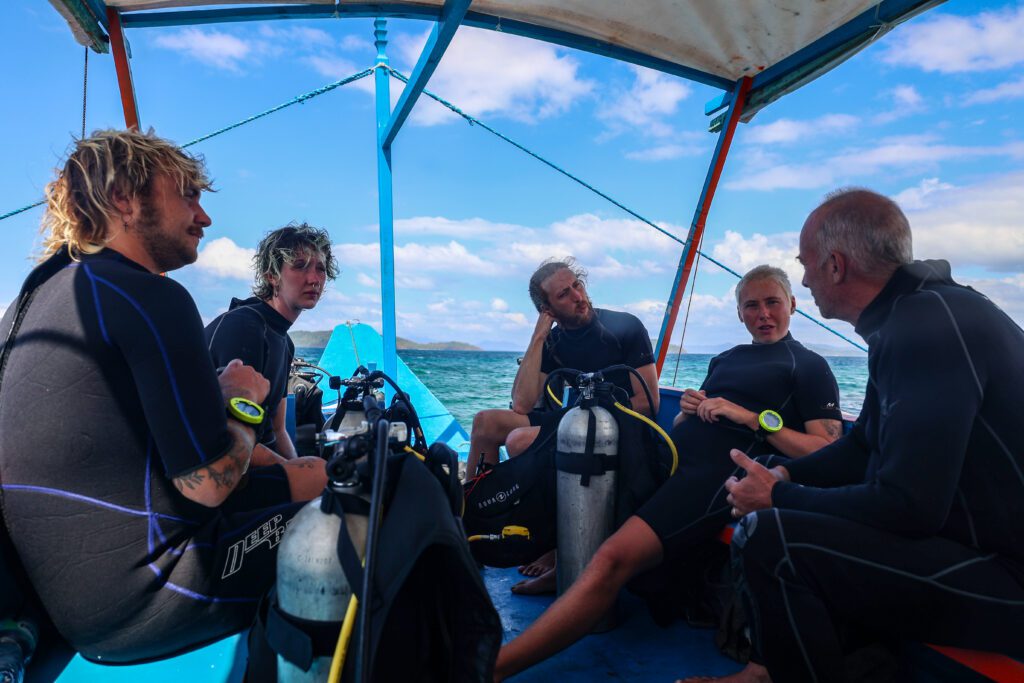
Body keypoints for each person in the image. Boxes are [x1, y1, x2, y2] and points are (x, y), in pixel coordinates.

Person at [0, 129, 327, 664]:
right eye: (188, 196)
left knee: (311, 478)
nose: (204, 217)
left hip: (57, 600)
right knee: (357, 510)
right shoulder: (152, 296)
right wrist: (243, 404)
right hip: (142, 604)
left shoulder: (27, 301)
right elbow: (208, 485)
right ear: (125, 199)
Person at [712, 188, 1024, 683]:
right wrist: (785, 472)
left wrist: (780, 497)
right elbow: (862, 446)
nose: (807, 279)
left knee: (769, 541)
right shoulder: (922, 312)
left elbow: (910, 505)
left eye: (807, 264)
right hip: (977, 547)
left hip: (1007, 578)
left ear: (836, 266)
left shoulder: (924, 328)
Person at [493, 264, 844, 680]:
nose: (762, 314)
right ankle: (557, 561)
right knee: (575, 467)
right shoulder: (726, 359)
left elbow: (824, 450)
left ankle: (497, 666)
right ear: (739, 313)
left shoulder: (808, 366)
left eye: (772, 303)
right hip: (670, 462)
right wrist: (693, 410)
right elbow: (678, 424)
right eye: (751, 305)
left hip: (716, 475)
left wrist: (751, 418)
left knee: (611, 559)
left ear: (792, 306)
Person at [467, 258, 660, 480]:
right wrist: (538, 337)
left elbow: (649, 403)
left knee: (518, 440)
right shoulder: (553, 341)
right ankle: (477, 505)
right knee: (485, 423)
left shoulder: (626, 327)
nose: (577, 297)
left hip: (621, 426)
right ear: (547, 310)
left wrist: (582, 421)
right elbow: (522, 404)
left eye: (576, 285)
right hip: (576, 419)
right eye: (563, 295)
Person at [205, 223, 337, 459]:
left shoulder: (284, 342)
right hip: (223, 471)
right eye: (300, 266)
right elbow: (224, 439)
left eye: (321, 268)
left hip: (254, 463)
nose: (314, 278)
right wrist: (297, 474)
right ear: (272, 275)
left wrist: (296, 465)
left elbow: (277, 429)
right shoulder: (245, 327)